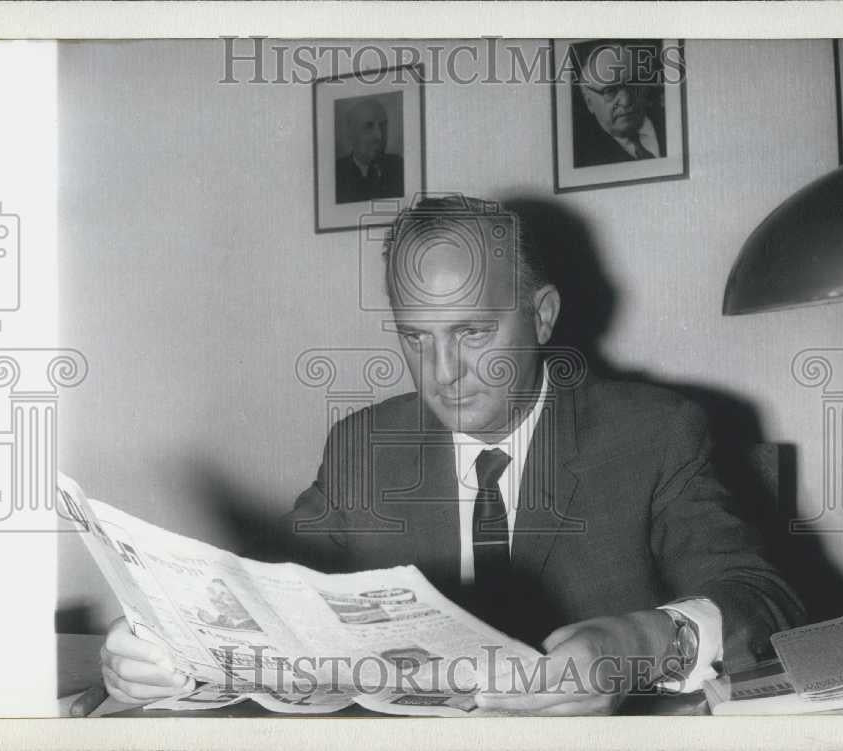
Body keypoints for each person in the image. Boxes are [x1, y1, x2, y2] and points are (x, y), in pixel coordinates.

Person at [100, 195, 804, 715]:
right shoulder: (364, 448)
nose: (444, 371)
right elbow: (268, 603)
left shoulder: (654, 433)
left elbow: (766, 602)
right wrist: (170, 653)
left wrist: (639, 641)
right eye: (416, 337)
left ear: (543, 315)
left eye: (471, 330)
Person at [571, 40, 668, 168]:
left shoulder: (672, 120)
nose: (626, 101)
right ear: (589, 102)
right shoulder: (581, 158)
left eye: (633, 85)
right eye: (610, 91)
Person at [334, 96, 404, 204]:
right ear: (350, 134)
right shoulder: (335, 174)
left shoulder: (399, 166)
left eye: (383, 126)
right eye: (368, 126)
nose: (379, 136)